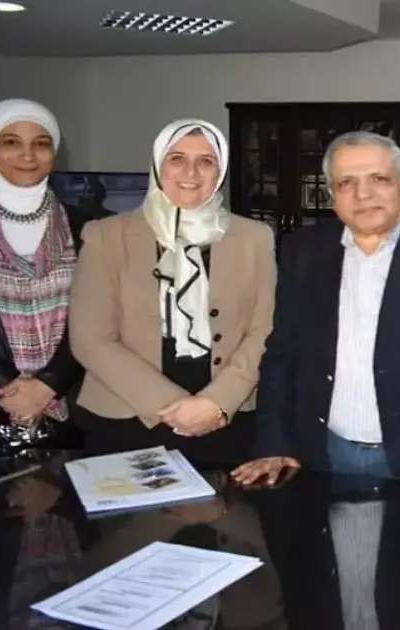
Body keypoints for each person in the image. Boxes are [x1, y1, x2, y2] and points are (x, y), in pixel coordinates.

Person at [232, 131, 400, 504]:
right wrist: (273, 442)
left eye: (378, 179)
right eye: (346, 183)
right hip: (320, 451)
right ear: (331, 195)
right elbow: (282, 354)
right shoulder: (304, 250)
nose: (363, 194)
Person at [69, 119, 276, 466]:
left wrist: (216, 403)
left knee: (226, 501)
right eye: (176, 158)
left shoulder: (255, 238)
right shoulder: (105, 236)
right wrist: (169, 406)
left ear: (221, 171)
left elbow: (264, 330)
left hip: (226, 416)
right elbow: (91, 339)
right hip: (127, 414)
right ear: (157, 165)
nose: (191, 172)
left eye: (206, 161)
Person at [0, 99, 88, 449]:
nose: (28, 155)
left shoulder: (88, 226)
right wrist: (7, 386)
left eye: (41, 143)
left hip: (72, 406)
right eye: (11, 142)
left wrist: (48, 384)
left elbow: (101, 316)